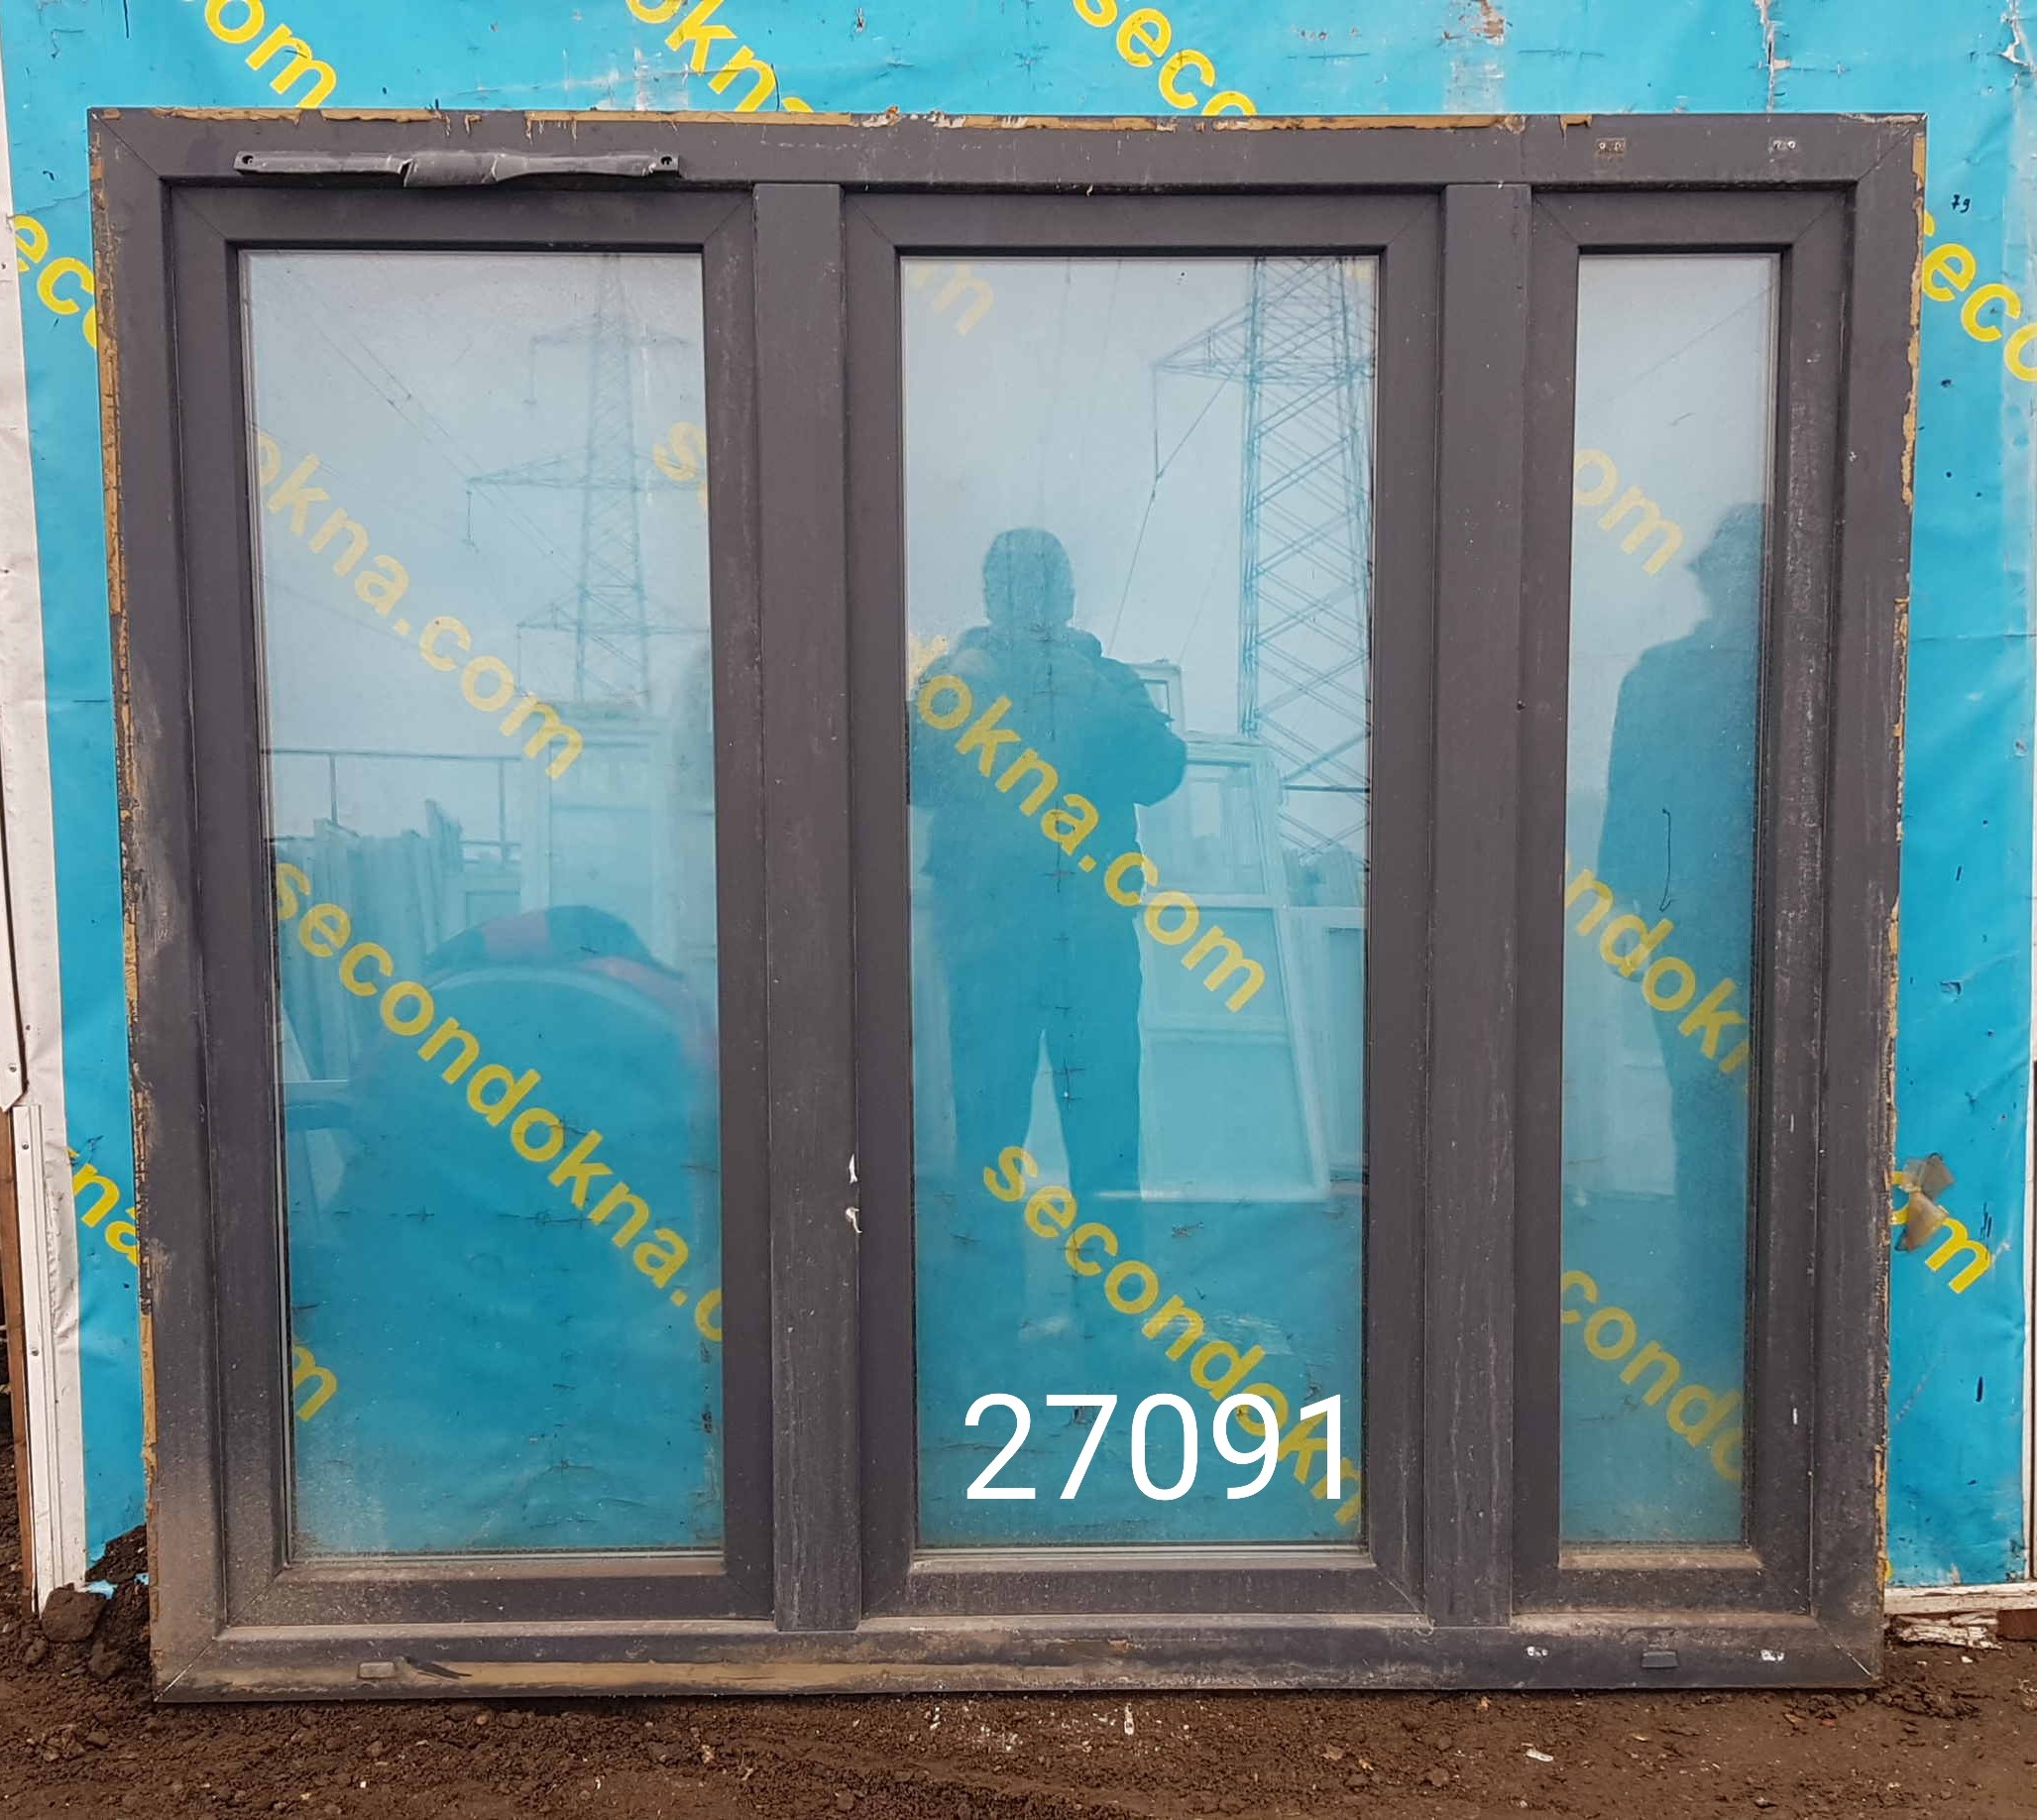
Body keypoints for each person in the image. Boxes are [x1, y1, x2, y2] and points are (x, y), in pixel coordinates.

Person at [914, 528, 1187, 1202]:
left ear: (1066, 600)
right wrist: (955, 693)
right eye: (1015, 591)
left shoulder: (1108, 680)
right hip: (988, 944)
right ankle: (992, 1275)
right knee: (988, 1134)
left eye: (1042, 591)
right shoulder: (955, 682)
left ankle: (1107, 1275)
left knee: (1105, 1131)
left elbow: (1160, 772)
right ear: (991, 599)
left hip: (1088, 943)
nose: (1030, 606)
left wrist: (1084, 687)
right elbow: (907, 775)